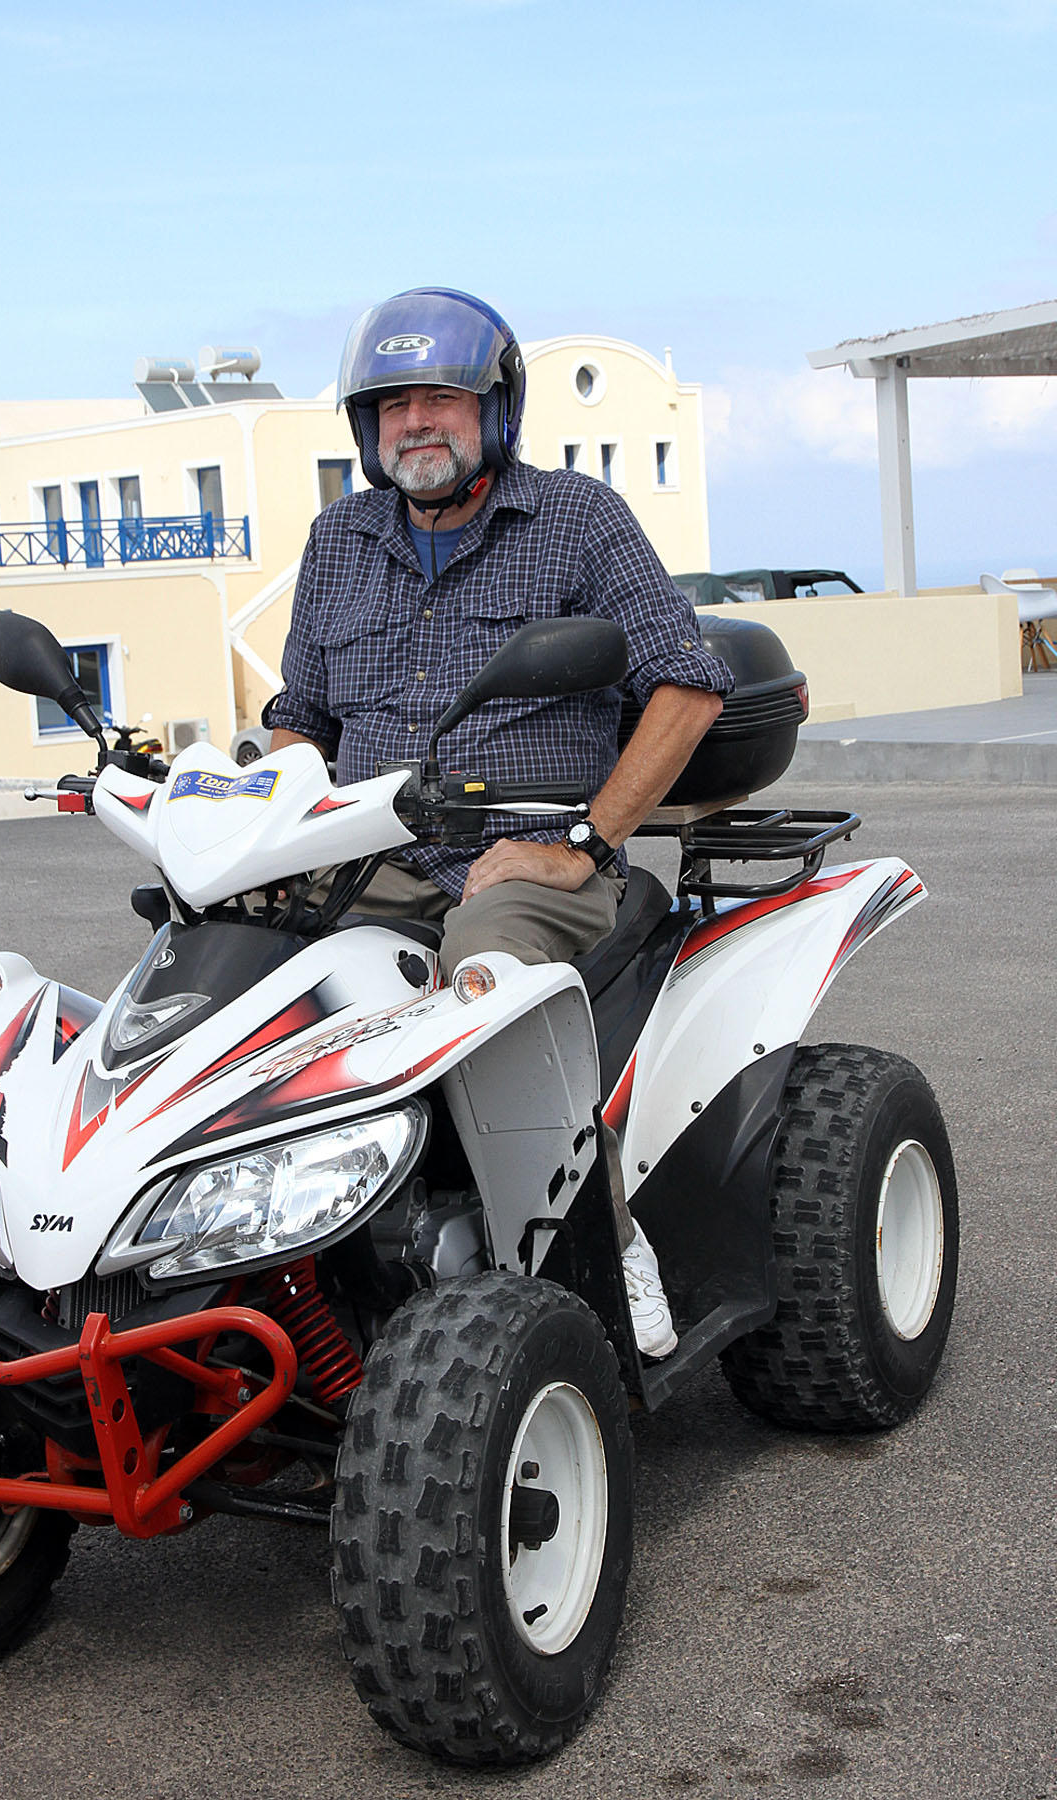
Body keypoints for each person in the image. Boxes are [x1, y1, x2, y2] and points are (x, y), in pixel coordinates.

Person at [265, 287, 733, 1358]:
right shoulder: (338, 538)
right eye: (389, 406)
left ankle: (604, 1241)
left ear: (495, 409)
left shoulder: (578, 519)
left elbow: (688, 687)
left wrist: (583, 846)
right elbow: (299, 718)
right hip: (371, 854)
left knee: (483, 961)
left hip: (532, 860)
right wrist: (297, 823)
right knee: (226, 936)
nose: (413, 423)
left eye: (438, 398)